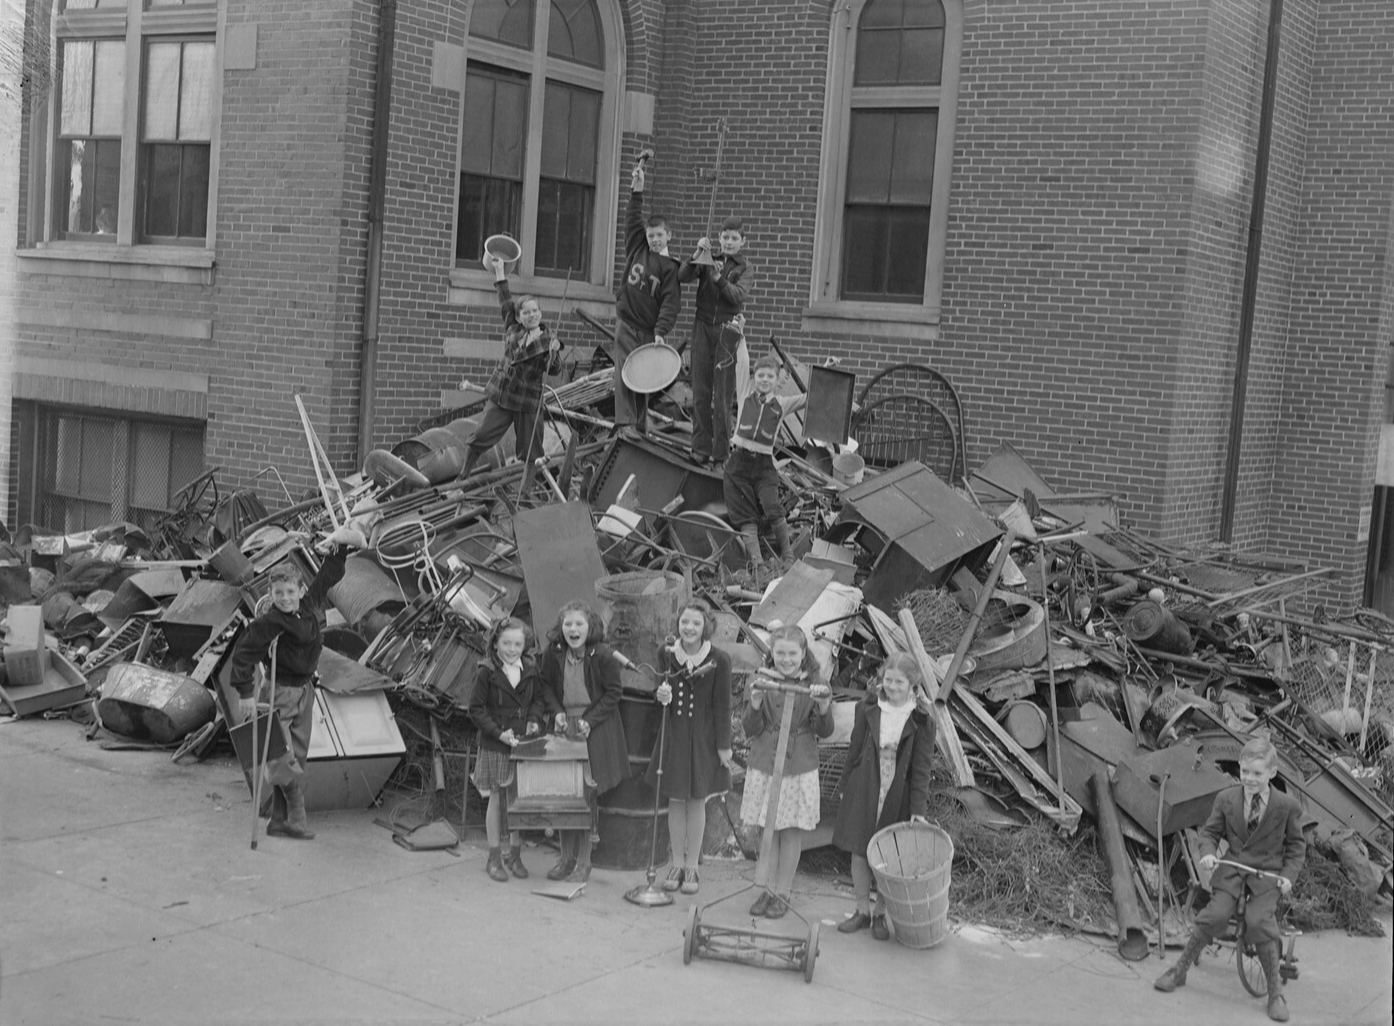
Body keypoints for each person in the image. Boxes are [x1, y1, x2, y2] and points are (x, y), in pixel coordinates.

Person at [228, 523, 368, 841]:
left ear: (300, 591)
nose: (286, 598)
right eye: (279, 594)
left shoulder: (309, 605)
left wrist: (340, 549)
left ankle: (279, 820)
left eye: (291, 592)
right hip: (279, 691)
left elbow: (329, 575)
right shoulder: (270, 622)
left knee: (297, 756)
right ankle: (297, 815)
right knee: (279, 755)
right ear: (271, 595)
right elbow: (244, 652)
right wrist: (246, 693)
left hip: (305, 691)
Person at [1154, 736, 1306, 1022]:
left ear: (1272, 773)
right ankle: (1180, 969)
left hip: (1265, 876)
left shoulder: (1286, 806)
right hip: (1232, 869)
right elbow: (1209, 833)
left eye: (1257, 773)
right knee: (1215, 915)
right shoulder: (1226, 799)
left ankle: (1275, 993)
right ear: (1239, 768)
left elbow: (1297, 848)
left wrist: (1287, 877)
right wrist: (1208, 853)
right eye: (1245, 771)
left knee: (1260, 922)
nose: (1249, 779)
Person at [832, 654, 936, 940]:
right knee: (859, 848)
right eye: (888, 680)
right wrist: (844, 783)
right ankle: (861, 911)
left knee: (888, 856)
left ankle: (880, 914)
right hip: (866, 782)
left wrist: (918, 807)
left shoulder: (922, 718)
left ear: (912, 684)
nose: (892, 686)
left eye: (899, 682)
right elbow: (854, 747)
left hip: (897, 791)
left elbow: (922, 768)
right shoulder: (868, 707)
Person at [740, 624, 834, 918]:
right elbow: (750, 729)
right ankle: (764, 889)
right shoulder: (760, 680)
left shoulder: (816, 683)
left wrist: (822, 706)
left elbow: (826, 731)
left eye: (792, 653)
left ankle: (782, 892)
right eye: (780, 653)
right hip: (765, 763)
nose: (786, 659)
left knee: (789, 830)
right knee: (766, 827)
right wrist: (754, 705)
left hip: (798, 766)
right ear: (772, 654)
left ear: (803, 653)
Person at [537, 600, 630, 883]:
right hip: (565, 726)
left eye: (579, 624)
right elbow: (546, 686)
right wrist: (557, 713)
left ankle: (584, 861)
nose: (573, 629)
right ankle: (565, 859)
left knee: (588, 795)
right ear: (560, 627)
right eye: (568, 624)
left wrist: (589, 720)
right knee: (566, 793)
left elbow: (614, 693)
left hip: (595, 727)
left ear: (590, 627)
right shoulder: (552, 653)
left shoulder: (602, 655)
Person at [649, 600, 734, 895]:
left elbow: (723, 706)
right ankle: (675, 862)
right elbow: (658, 690)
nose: (689, 628)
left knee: (697, 799)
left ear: (706, 627)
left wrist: (724, 745)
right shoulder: (667, 653)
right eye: (685, 622)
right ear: (678, 624)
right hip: (674, 733)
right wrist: (660, 695)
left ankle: (692, 866)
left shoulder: (719, 659)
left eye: (696, 623)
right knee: (675, 798)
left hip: (703, 737)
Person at [459, 250, 564, 479]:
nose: (531, 315)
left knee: (532, 452)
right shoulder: (513, 329)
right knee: (479, 437)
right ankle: (463, 475)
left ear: (540, 314)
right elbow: (505, 298)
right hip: (503, 396)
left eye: (535, 311)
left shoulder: (549, 341)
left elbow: (555, 370)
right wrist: (498, 270)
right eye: (526, 312)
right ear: (518, 317)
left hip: (528, 403)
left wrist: (554, 354)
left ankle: (528, 489)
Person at [468, 617, 545, 882]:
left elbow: (537, 700)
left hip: (521, 742)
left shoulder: (531, 668)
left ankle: (515, 854)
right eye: (506, 643)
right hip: (495, 742)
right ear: (496, 643)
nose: (512, 649)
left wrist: (534, 721)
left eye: (518, 644)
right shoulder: (486, 671)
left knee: (518, 798)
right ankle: (493, 857)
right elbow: (475, 710)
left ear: (525, 645)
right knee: (497, 797)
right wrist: (499, 733)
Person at [613, 156, 681, 434]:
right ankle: (625, 425)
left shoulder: (670, 267)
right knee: (624, 375)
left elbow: (670, 304)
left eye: (659, 235)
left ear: (669, 236)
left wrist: (661, 331)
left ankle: (640, 427)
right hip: (627, 324)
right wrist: (636, 191)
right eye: (651, 234)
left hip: (649, 332)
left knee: (642, 380)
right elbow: (631, 220)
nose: (654, 239)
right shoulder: (637, 248)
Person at [678, 217, 752, 466]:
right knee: (700, 390)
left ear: (742, 241)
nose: (729, 242)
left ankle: (721, 454)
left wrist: (719, 279)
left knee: (722, 395)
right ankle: (700, 448)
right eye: (725, 237)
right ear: (719, 238)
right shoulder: (708, 257)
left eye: (734, 238)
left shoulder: (744, 268)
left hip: (726, 331)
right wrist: (696, 253)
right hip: (701, 328)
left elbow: (737, 297)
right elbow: (683, 276)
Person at [724, 344, 806, 565]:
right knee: (746, 514)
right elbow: (741, 363)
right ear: (754, 377)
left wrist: (824, 370)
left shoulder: (781, 404)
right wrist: (740, 335)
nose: (765, 379)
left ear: (776, 380)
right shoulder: (744, 395)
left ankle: (788, 557)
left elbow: (808, 398)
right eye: (760, 375)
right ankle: (758, 564)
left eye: (770, 376)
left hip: (763, 465)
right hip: (738, 464)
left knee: (773, 508)